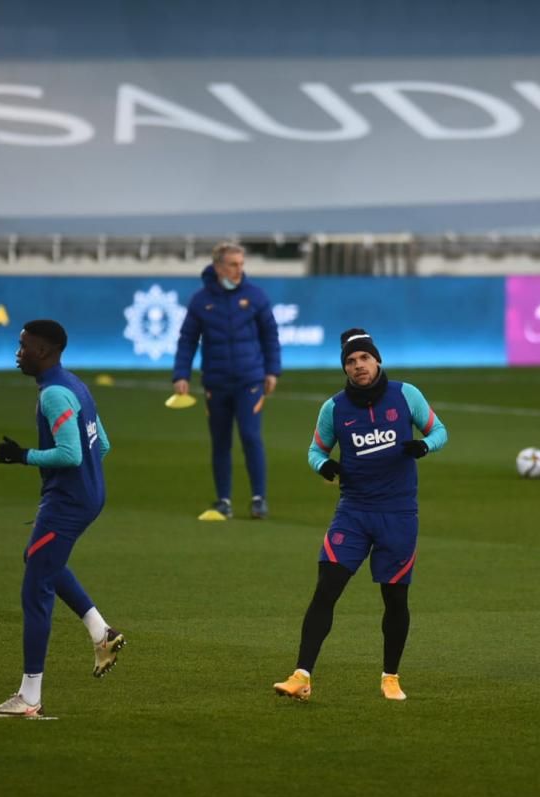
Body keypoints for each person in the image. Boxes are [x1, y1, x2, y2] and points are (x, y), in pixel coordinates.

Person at [273, 328, 447, 702]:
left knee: (395, 599)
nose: (358, 366)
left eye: (364, 358)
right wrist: (324, 467)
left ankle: (390, 677)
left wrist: (424, 445)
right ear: (345, 369)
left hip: (398, 514)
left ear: (377, 359)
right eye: (350, 362)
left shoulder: (406, 395)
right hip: (353, 513)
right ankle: (301, 676)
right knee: (325, 591)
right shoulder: (334, 408)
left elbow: (440, 431)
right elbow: (315, 450)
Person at [0, 320, 125, 718]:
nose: (18, 351)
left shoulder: (54, 396)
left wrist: (22, 456)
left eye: (24, 345)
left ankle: (29, 699)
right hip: (87, 495)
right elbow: (104, 444)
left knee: (36, 590)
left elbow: (71, 454)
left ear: (43, 351)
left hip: (68, 502)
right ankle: (102, 633)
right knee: (41, 559)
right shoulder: (75, 384)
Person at [171, 242, 282, 520]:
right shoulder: (201, 300)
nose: (238, 270)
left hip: (250, 380)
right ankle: (224, 500)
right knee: (220, 442)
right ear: (218, 267)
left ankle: (259, 499)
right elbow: (187, 340)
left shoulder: (255, 296)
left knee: (250, 436)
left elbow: (270, 335)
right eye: (233, 264)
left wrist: (272, 371)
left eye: (241, 264)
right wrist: (181, 375)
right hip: (216, 382)